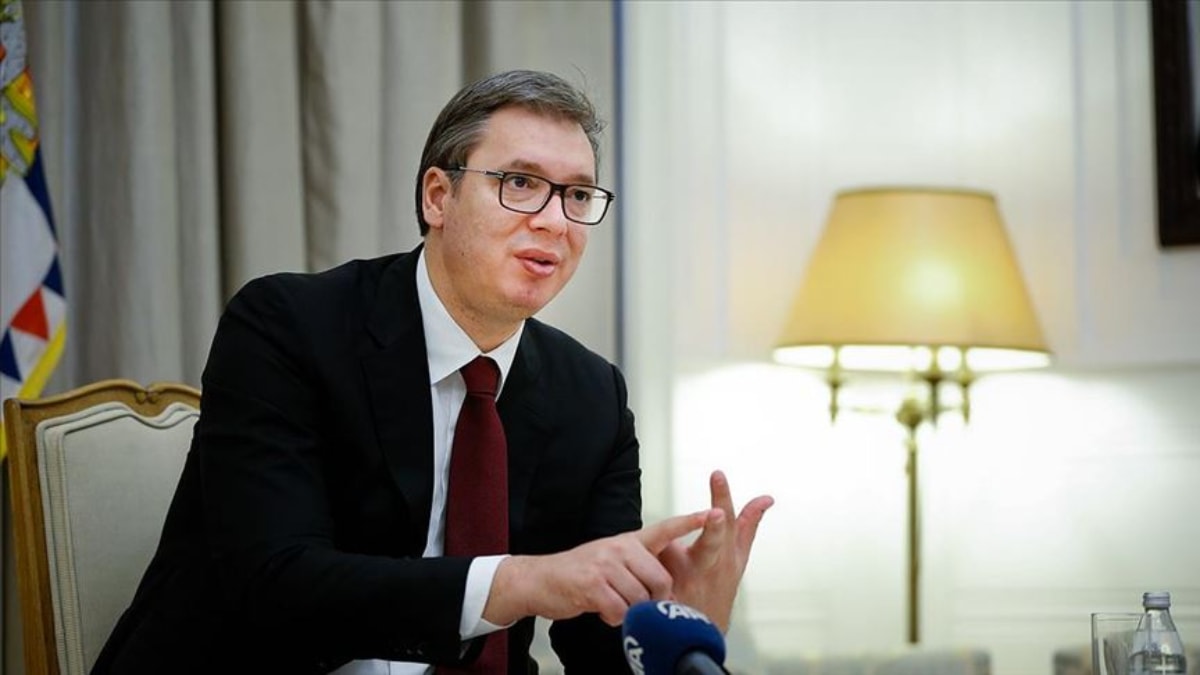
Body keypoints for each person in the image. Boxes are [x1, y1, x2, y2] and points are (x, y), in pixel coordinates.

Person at [92, 69, 773, 675]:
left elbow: (594, 647)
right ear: (438, 197)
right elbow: (277, 584)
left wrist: (675, 634)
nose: (554, 221)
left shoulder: (591, 397)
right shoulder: (288, 327)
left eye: (577, 195)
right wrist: (519, 582)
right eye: (521, 184)